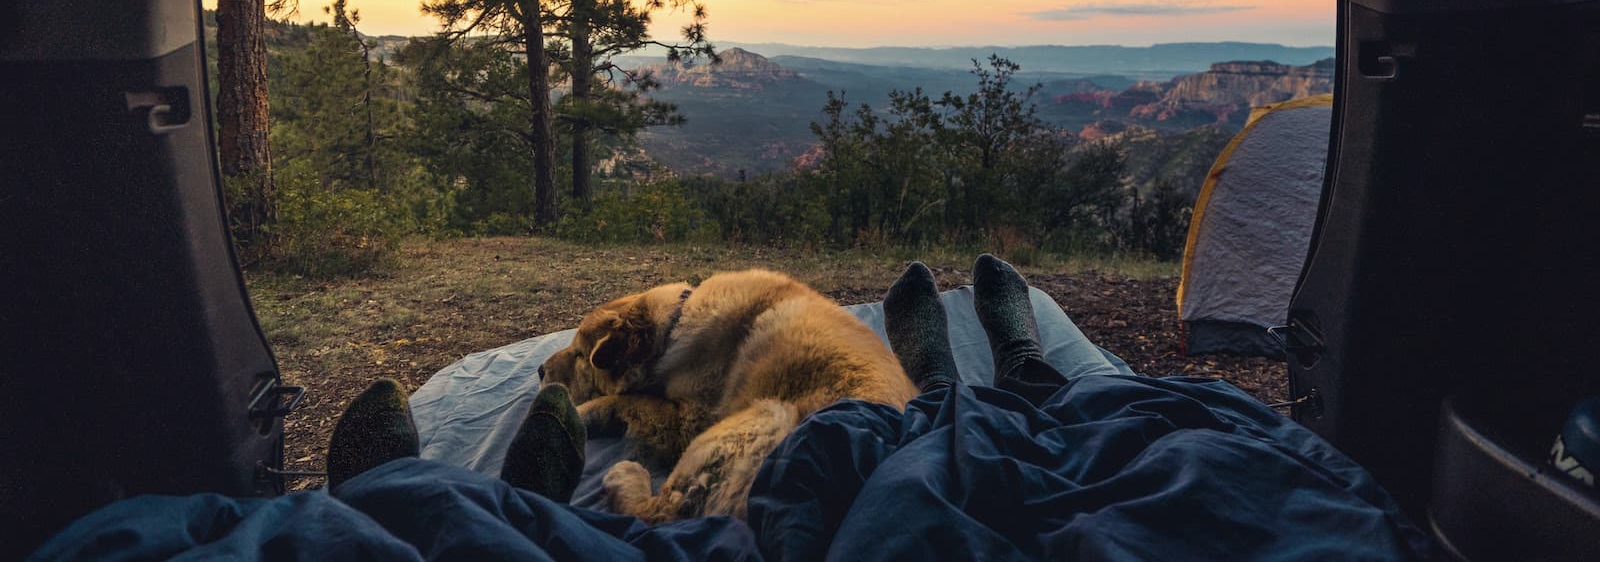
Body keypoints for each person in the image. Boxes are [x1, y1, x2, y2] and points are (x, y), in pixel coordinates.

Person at [30, 257, 1434, 561]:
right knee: (1103, 416)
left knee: (638, 481)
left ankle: (530, 486)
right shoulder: (728, 318)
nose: (610, 376)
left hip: (796, 457)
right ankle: (1004, 372)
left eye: (600, 365)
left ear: (634, 337)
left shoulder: (685, 352)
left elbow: (675, 415)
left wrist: (620, 404)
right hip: (869, 444)